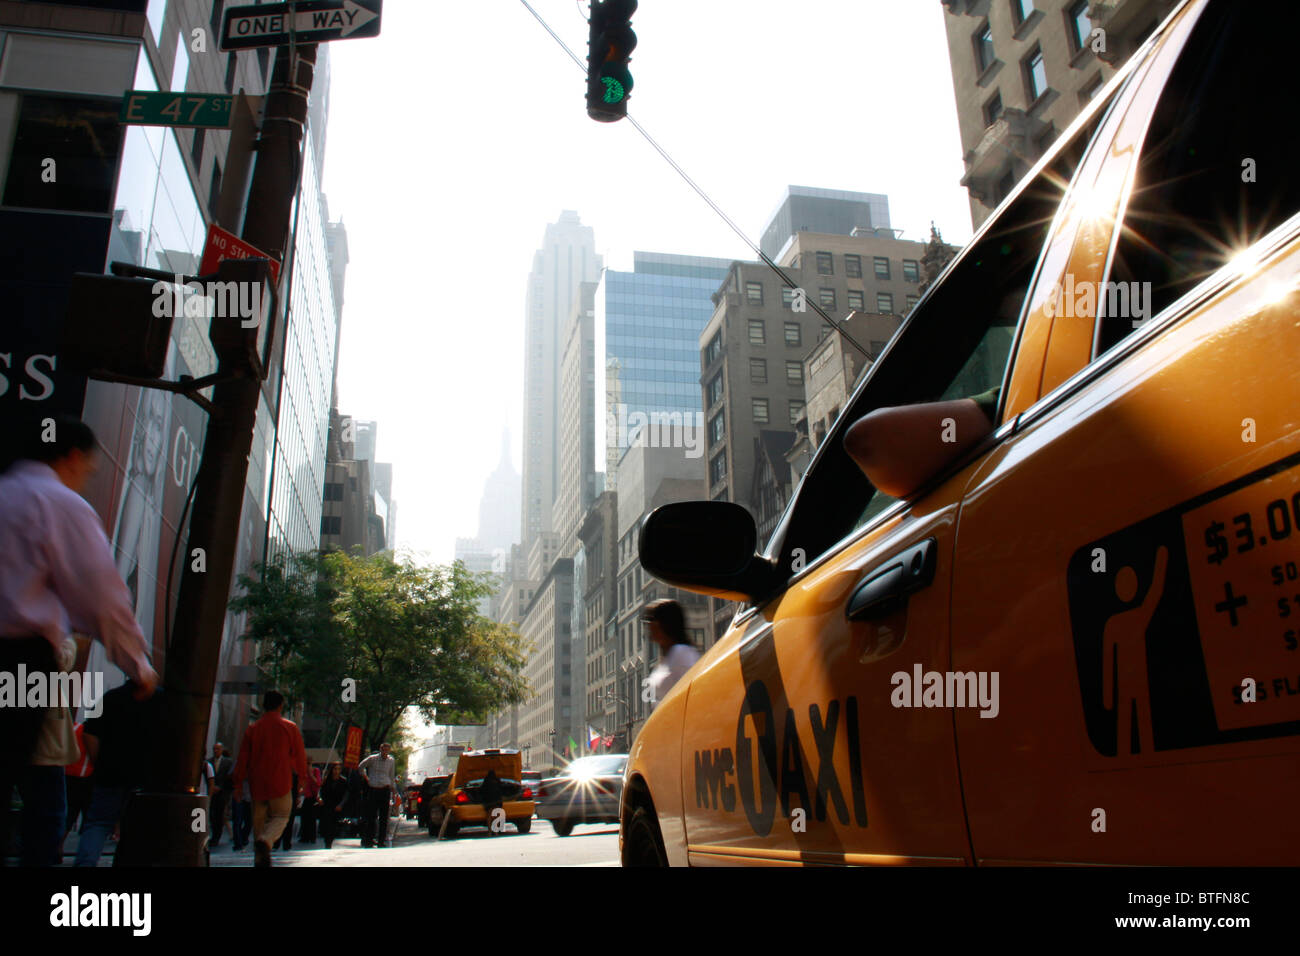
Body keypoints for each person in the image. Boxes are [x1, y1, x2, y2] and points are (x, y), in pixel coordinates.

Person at [0, 416, 158, 866]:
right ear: (71, 455)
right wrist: (139, 666)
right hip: (20, 661)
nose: (88, 475)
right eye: (88, 466)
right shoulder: (58, 503)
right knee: (43, 804)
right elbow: (102, 595)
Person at [74, 680, 164, 866]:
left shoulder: (111, 698)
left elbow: (89, 732)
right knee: (139, 828)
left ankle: (85, 863)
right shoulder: (162, 701)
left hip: (110, 772)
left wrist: (98, 761)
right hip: (146, 778)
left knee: (98, 823)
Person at [230, 690, 309, 868]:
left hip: (257, 785)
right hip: (281, 782)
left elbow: (242, 758)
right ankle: (266, 842)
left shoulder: (253, 729)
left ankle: (260, 859)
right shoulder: (290, 727)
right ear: (281, 705)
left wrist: (237, 784)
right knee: (281, 816)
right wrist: (302, 778)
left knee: (259, 823)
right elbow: (299, 756)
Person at [643, 599, 701, 709]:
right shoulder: (668, 657)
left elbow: (693, 696)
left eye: (651, 619)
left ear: (663, 623)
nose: (648, 625)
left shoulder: (682, 654)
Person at [357, 743, 396, 848]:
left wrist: (393, 789)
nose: (385, 752)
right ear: (380, 749)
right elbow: (360, 766)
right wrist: (366, 777)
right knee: (372, 817)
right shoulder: (372, 759)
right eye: (383, 750)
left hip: (385, 789)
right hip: (374, 789)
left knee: (384, 818)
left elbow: (391, 775)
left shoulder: (391, 760)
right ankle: (369, 840)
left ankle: (381, 841)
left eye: (387, 750)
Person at [208, 742, 234, 846]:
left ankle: (216, 837)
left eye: (218, 749)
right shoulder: (209, 762)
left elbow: (229, 778)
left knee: (219, 816)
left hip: (222, 794)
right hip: (211, 793)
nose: (215, 751)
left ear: (222, 750)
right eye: (214, 749)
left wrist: (221, 787)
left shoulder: (228, 763)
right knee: (211, 816)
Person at [318, 763, 348, 849]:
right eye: (335, 769)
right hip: (327, 805)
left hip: (337, 806)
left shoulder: (343, 781)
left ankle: (329, 842)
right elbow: (320, 790)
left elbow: (346, 795)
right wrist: (319, 798)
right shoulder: (326, 780)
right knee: (326, 825)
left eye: (338, 769)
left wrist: (341, 805)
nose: (336, 771)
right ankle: (327, 842)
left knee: (333, 826)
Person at [298, 763, 321, 844]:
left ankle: (312, 837)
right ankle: (304, 836)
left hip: (312, 797)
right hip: (304, 797)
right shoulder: (303, 772)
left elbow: (318, 783)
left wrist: (311, 775)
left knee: (312, 818)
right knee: (304, 818)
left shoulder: (315, 771)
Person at [479, 769, 503, 836]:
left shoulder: (486, 781)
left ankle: (489, 831)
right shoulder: (497, 780)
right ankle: (496, 831)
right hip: (497, 801)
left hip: (489, 801)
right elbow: (501, 790)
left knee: (489, 816)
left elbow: (482, 790)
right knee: (497, 816)